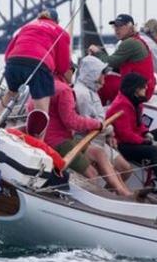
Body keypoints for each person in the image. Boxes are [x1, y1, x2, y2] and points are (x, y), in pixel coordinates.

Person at [44, 63, 134, 197]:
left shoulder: (46, 84)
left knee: (99, 153)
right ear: (64, 70)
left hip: (66, 137)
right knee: (92, 174)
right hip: (58, 141)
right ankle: (93, 204)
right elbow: (72, 121)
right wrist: (98, 124)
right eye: (72, 69)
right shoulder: (64, 90)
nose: (73, 73)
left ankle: (121, 192)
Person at [0, 7, 71, 118]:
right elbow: (63, 66)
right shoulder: (60, 32)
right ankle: (38, 134)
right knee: (41, 104)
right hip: (40, 65)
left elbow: (7, 53)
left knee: (11, 92)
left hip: (13, 62)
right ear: (57, 21)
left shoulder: (27, 27)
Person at [73, 56, 132, 181]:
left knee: (126, 169)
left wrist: (109, 135)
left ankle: (114, 194)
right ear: (93, 74)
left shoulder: (92, 91)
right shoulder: (81, 94)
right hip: (87, 142)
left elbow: (99, 120)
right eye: (102, 74)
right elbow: (90, 124)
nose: (104, 78)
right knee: (118, 174)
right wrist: (110, 131)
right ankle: (116, 195)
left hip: (99, 140)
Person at [88, 14, 156, 103]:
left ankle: (95, 112)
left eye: (120, 26)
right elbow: (115, 65)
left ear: (131, 27)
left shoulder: (130, 42)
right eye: (115, 26)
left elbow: (110, 63)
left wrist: (97, 52)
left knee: (104, 83)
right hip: (144, 88)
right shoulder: (136, 40)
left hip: (140, 90)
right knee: (106, 79)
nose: (116, 29)